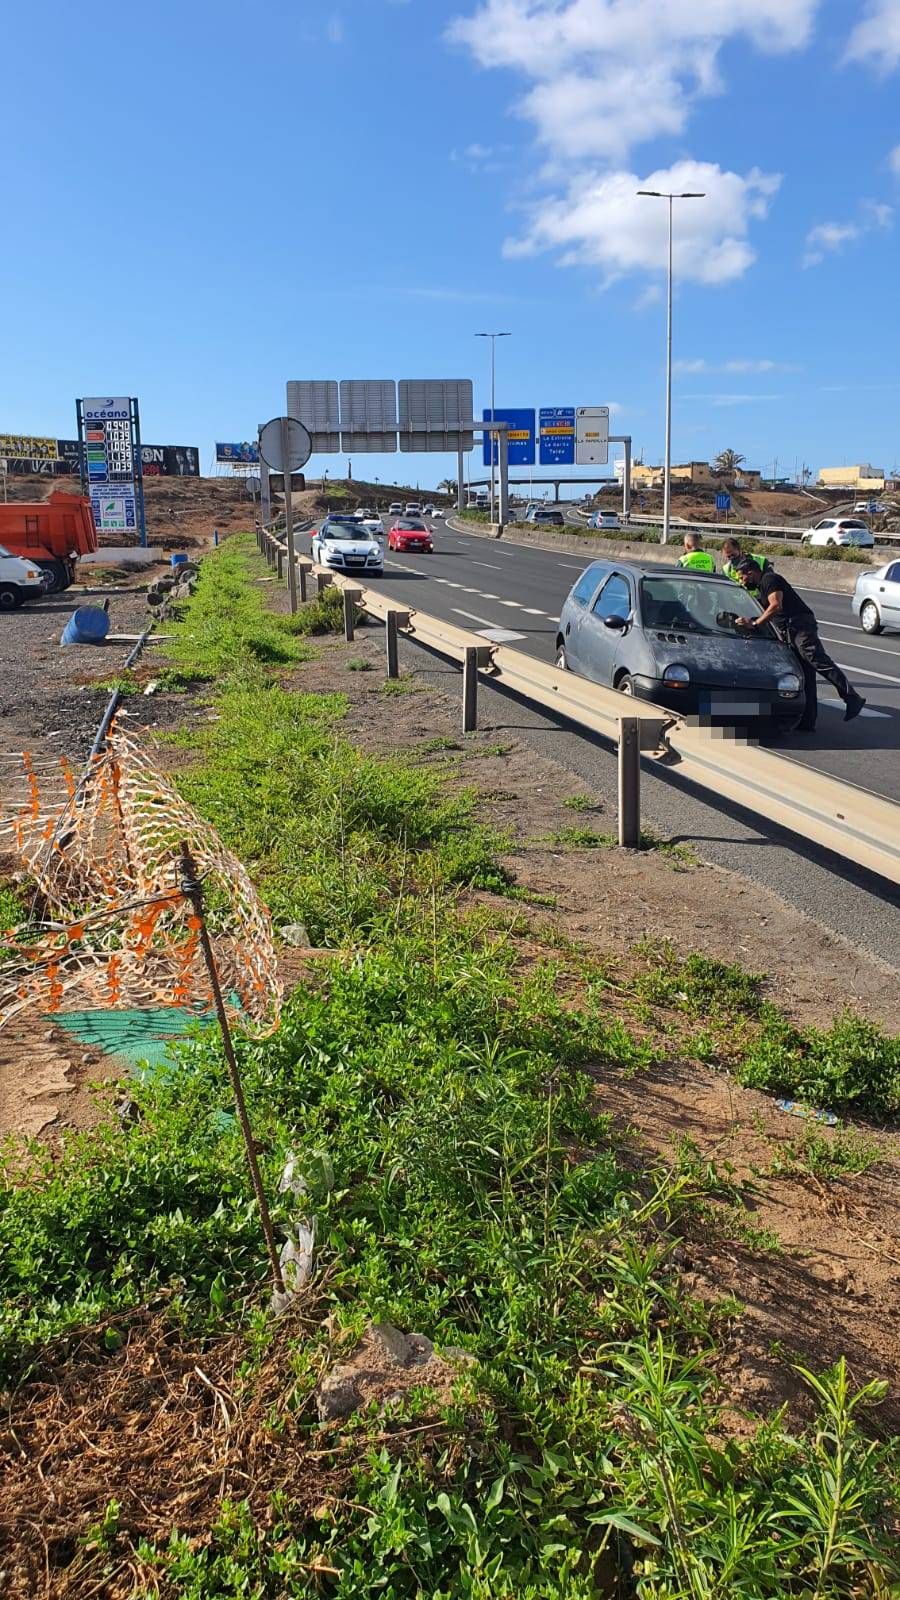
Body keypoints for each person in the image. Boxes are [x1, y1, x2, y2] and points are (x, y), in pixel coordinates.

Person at [733, 558, 865, 730]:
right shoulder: (761, 588)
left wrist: (756, 624)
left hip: (800, 627)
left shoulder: (769, 580)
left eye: (742, 577)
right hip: (792, 630)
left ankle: (851, 697)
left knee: (817, 659)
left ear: (750, 573)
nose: (742, 581)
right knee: (805, 674)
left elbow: (776, 606)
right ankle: (807, 721)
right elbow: (764, 610)